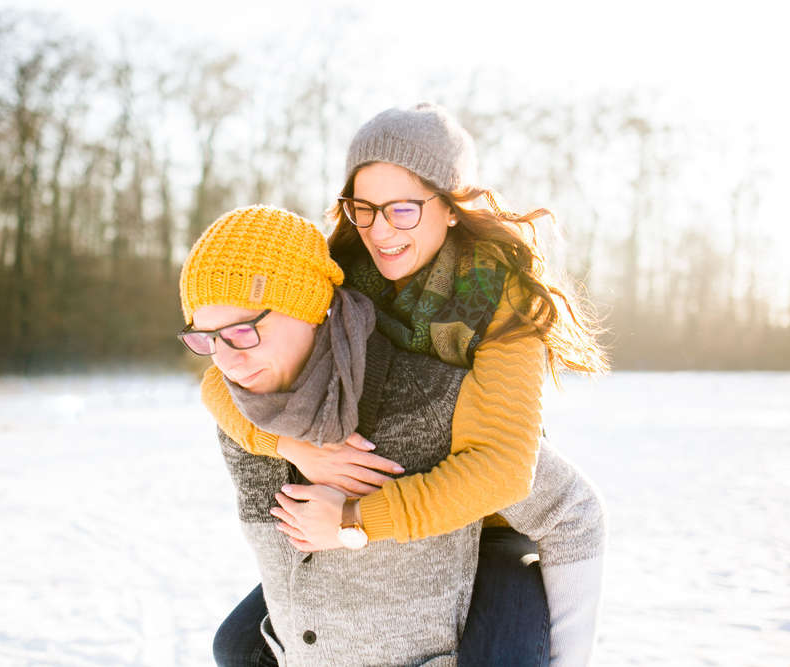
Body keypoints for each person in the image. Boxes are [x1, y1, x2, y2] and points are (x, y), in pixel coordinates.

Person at [200, 104, 607, 663]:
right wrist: (290, 446)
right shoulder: (337, 271)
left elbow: (504, 470)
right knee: (240, 645)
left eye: (404, 209)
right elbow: (225, 376)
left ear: (453, 207)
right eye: (363, 209)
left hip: (487, 520)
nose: (381, 230)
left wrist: (352, 520)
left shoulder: (501, 304)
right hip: (393, 540)